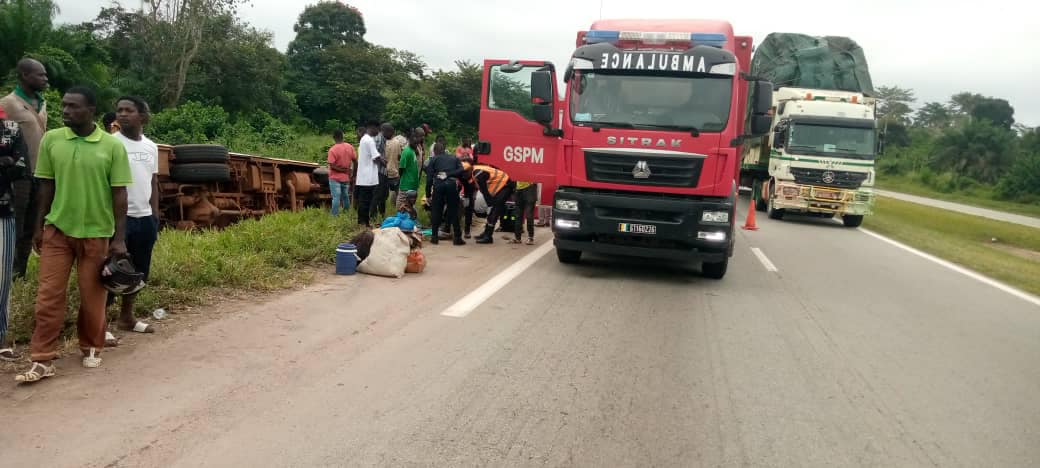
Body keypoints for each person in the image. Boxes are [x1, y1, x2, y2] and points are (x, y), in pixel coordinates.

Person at [16, 86, 133, 383]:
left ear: (90, 110)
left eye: (73, 107)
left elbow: (120, 194)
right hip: (58, 230)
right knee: (48, 296)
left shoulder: (111, 146)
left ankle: (91, 346)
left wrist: (119, 238)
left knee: (92, 295)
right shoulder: (52, 140)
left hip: (96, 233)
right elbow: (45, 186)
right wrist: (38, 227)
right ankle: (42, 358)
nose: (65, 111)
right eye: (64, 106)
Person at [108, 96, 159, 337]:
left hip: (145, 218)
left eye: (129, 110)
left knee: (138, 272)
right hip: (118, 219)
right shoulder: (110, 144)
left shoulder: (151, 146)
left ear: (143, 117)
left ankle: (126, 318)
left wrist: (155, 216)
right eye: (119, 110)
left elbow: (153, 181)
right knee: (109, 271)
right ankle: (101, 325)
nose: (122, 114)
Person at [0, 58, 49, 278]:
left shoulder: (42, 103)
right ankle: (7, 268)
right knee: (15, 223)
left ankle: (20, 270)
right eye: (40, 74)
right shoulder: (8, 103)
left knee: (32, 223)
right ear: (24, 76)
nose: (45, 78)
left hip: (40, 173)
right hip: (18, 175)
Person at [0, 107, 28, 361]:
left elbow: (20, 168)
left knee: (2, 280)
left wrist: (9, 162)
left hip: (3, 211)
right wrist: (4, 160)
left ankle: (1, 340)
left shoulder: (10, 129)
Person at [425, 143, 466, 246]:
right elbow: (461, 170)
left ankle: (434, 237)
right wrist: (449, 174)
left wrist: (428, 194)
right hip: (451, 185)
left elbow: (429, 179)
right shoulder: (454, 158)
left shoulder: (433, 160)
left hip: (438, 185)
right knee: (453, 211)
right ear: (445, 150)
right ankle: (457, 238)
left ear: (434, 151)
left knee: (436, 210)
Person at [471, 164, 515, 244]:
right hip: (502, 186)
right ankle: (486, 233)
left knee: (495, 210)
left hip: (506, 185)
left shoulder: (478, 172)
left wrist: (490, 203)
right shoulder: (475, 170)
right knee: (492, 210)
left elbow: (484, 191)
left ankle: (488, 236)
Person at [354, 121, 381, 228]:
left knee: (364, 201)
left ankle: (363, 222)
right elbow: (376, 157)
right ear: (372, 127)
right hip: (368, 178)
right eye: (377, 130)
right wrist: (384, 162)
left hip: (364, 177)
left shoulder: (364, 139)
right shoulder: (369, 140)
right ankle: (364, 223)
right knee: (366, 201)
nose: (378, 132)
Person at [326, 129, 356, 216]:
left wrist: (342, 170)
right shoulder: (350, 147)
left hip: (335, 178)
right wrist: (353, 173)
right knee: (345, 196)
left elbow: (332, 165)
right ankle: (346, 214)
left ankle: (334, 216)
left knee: (336, 197)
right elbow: (355, 160)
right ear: (343, 136)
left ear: (334, 137)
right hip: (346, 177)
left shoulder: (332, 150)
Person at [370, 123, 393, 222]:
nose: (392, 135)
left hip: (382, 172)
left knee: (383, 194)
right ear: (385, 131)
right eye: (391, 132)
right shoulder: (378, 139)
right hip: (378, 172)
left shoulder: (383, 139)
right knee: (378, 194)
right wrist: (381, 161)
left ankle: (381, 214)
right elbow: (373, 155)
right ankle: (373, 215)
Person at [397, 130, 421, 220]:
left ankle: (406, 221)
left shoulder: (412, 151)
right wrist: (400, 178)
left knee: (408, 204)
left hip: (411, 183)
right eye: (415, 143)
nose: (416, 145)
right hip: (406, 183)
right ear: (409, 140)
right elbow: (401, 168)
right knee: (402, 204)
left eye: (417, 144)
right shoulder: (406, 152)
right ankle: (401, 220)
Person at [384, 125, 408, 209]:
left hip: (384, 172)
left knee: (383, 194)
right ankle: (400, 209)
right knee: (399, 193)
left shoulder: (383, 142)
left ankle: (382, 210)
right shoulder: (397, 142)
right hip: (395, 172)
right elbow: (399, 157)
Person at [510, 181, 537, 245]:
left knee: (529, 215)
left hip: (530, 188)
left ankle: (530, 238)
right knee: (518, 215)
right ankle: (517, 238)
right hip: (518, 189)